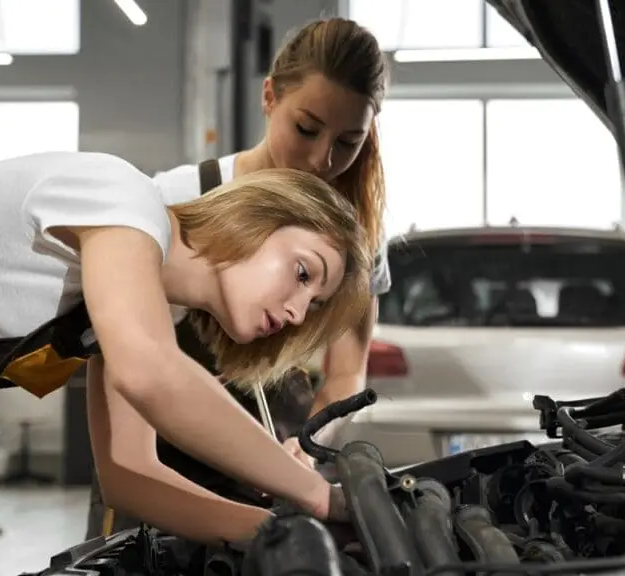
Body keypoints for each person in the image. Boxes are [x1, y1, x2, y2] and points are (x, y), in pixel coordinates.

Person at [0, 150, 371, 544]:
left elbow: (129, 475)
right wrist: (318, 494)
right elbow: (151, 374)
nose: (297, 313)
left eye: (313, 304)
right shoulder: (120, 199)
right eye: (303, 273)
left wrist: (287, 534)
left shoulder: (142, 300)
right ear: (256, 216)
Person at [84, 16, 394, 537]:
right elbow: (133, 403)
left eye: (348, 142)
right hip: (161, 471)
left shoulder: (355, 242)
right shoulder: (170, 201)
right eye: (307, 129)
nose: (322, 159)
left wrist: (307, 447)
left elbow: (346, 373)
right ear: (270, 97)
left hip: (277, 472)